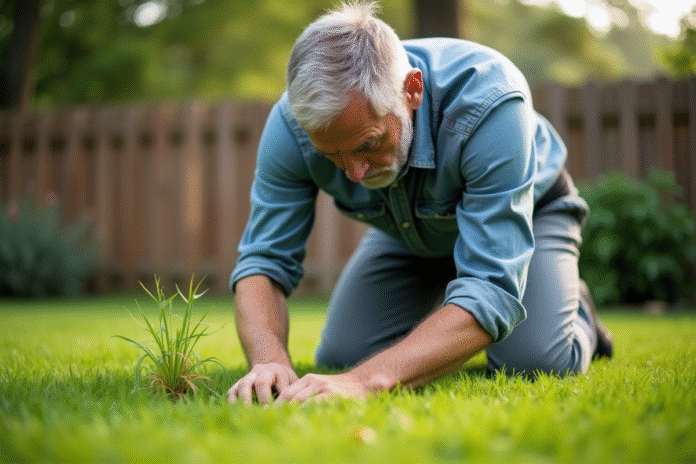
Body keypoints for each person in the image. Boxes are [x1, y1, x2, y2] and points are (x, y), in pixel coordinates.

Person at [227, 1, 612, 405]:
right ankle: (448, 321)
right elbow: (263, 261)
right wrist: (268, 361)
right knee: (345, 355)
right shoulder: (290, 125)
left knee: (533, 361)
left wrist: (366, 382)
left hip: (530, 214)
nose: (354, 175)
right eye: (332, 157)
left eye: (368, 144)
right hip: (410, 229)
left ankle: (576, 312)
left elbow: (490, 287)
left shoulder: (491, 100)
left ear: (412, 90)